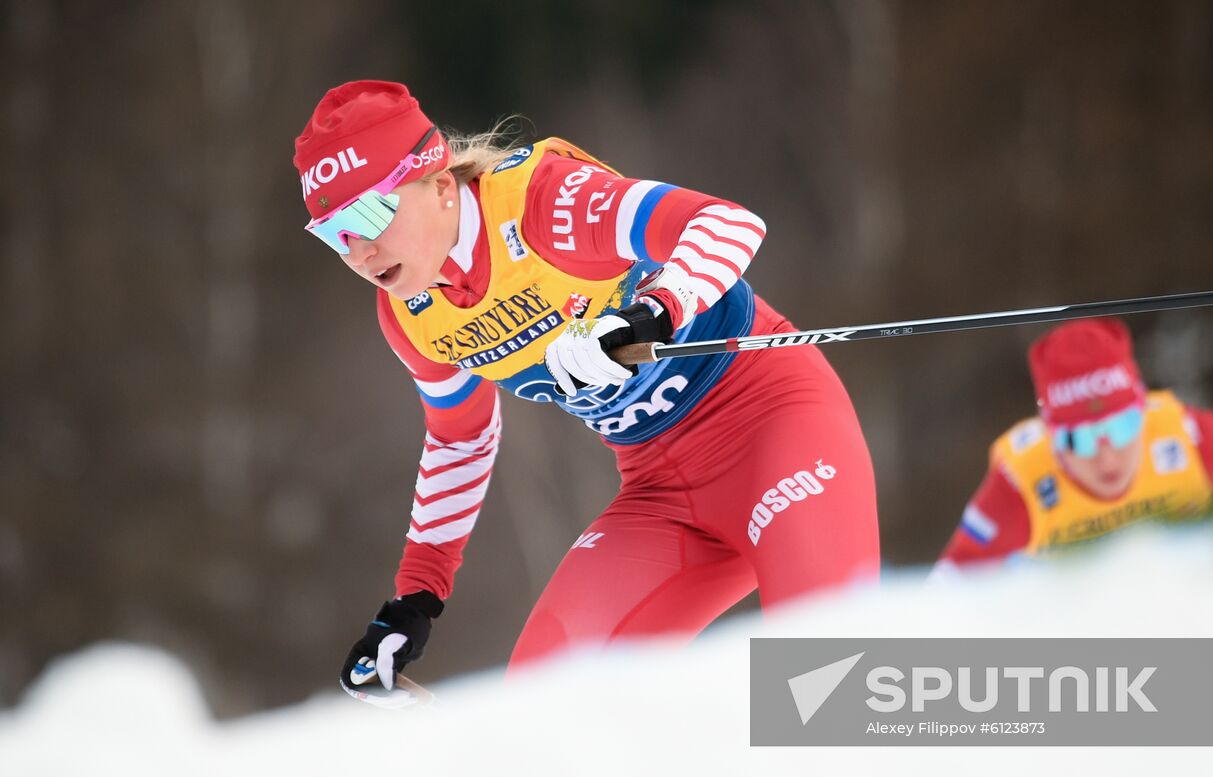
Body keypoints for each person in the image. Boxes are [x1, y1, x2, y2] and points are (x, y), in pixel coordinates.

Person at [293, 81, 879, 704]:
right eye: (332, 232)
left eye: (368, 216)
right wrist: (416, 597)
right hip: (660, 493)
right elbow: (461, 440)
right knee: (545, 707)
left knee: (831, 689)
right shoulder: (411, 316)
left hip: (772, 427)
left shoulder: (545, 205)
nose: (357, 250)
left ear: (439, 185)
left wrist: (656, 310)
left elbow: (728, 222)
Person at [936, 317, 1213, 568]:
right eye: (1082, 439)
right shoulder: (1021, 484)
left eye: (1123, 428)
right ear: (1052, 438)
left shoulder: (1186, 438)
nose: (1107, 454)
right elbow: (942, 602)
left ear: (1143, 412)